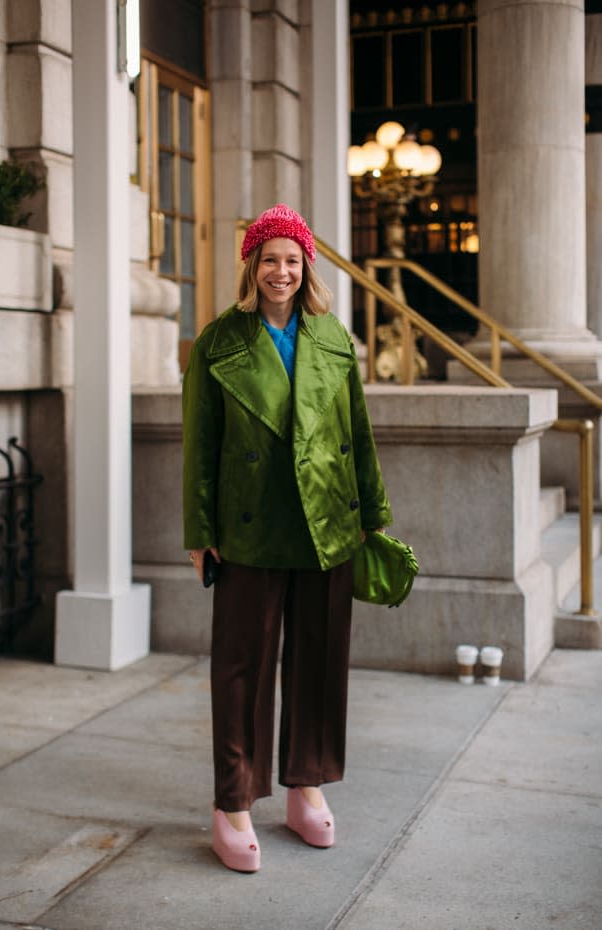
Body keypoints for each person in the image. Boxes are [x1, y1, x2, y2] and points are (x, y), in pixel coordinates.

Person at [182, 203, 392, 873]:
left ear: (307, 269)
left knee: (319, 657)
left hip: (327, 522)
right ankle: (234, 801)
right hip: (249, 526)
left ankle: (307, 785)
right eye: (269, 259)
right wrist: (200, 532)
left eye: (292, 260)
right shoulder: (218, 342)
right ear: (252, 266)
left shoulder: (334, 340)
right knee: (240, 667)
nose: (281, 271)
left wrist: (373, 516)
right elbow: (200, 446)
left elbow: (357, 434)